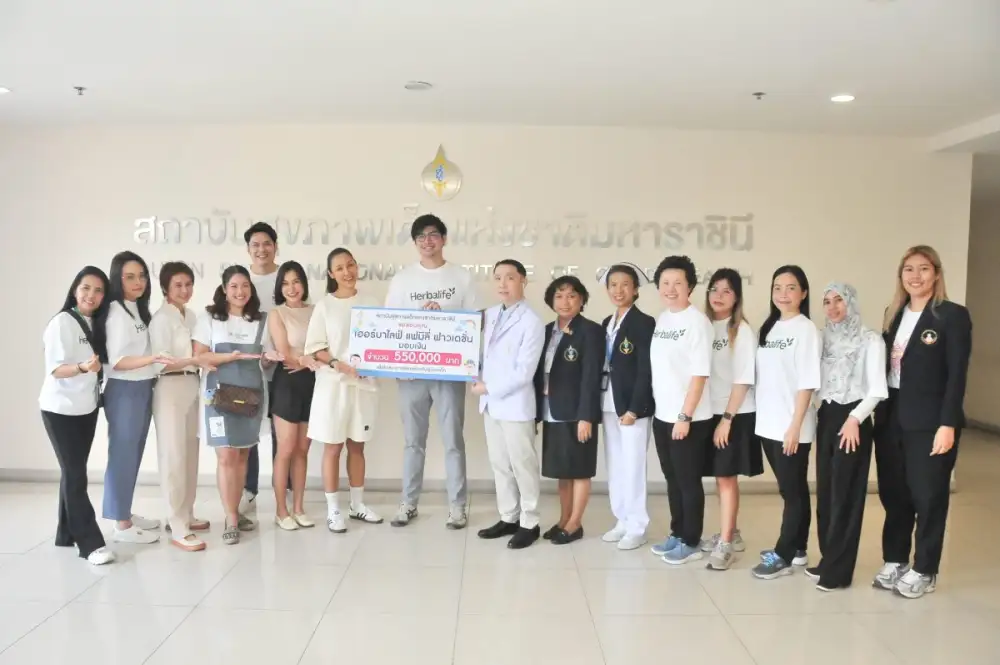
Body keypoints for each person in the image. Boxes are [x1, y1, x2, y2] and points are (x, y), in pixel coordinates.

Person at [872, 245, 972, 599]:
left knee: (928, 495)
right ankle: (896, 559)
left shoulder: (951, 316)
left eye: (924, 268)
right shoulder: (893, 314)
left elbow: (957, 375)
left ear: (936, 273)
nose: (916, 276)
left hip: (930, 421)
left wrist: (948, 423)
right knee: (894, 493)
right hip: (891, 416)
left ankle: (925, 569)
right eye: (909, 269)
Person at [385, 214, 477, 529]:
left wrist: (445, 315)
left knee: (453, 440)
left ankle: (457, 507)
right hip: (411, 374)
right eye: (421, 236)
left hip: (449, 373)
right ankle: (408, 503)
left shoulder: (461, 277)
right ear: (415, 242)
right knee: (413, 441)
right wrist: (398, 366)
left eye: (433, 234)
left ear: (444, 238)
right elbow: (390, 325)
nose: (428, 241)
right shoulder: (402, 279)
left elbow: (475, 323)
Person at [807, 283, 887, 590]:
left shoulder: (870, 340)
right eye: (827, 301)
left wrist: (854, 419)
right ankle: (828, 558)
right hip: (827, 417)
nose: (832, 307)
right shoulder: (822, 338)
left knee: (846, 495)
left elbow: (877, 389)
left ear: (850, 302)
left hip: (854, 420)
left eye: (839, 300)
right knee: (826, 493)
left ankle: (839, 573)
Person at [193, 265, 282, 545]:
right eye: (233, 286)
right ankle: (230, 517)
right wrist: (230, 357)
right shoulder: (209, 318)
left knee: (242, 454)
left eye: (245, 286)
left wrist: (268, 359)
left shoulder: (261, 320)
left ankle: (236, 509)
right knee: (226, 456)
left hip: (251, 397)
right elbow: (200, 356)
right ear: (224, 289)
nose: (240, 291)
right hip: (218, 397)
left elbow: (265, 362)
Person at [39, 266, 116, 565]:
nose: (91, 295)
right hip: (60, 409)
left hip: (86, 407)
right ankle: (89, 543)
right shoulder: (62, 322)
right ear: (75, 289)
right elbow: (56, 369)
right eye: (86, 288)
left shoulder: (96, 323)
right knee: (75, 473)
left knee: (73, 470)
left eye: (98, 291)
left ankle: (65, 533)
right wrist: (84, 368)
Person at [305, 248, 383, 532]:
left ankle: (357, 505)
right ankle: (333, 510)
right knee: (333, 446)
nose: (347, 272)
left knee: (357, 445)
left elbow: (383, 341)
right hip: (333, 386)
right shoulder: (324, 306)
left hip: (362, 386)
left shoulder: (372, 303)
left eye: (350, 265)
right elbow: (316, 348)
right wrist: (339, 365)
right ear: (331, 274)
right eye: (339, 268)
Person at [751, 265, 821, 580]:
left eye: (791, 287)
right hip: (768, 422)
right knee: (790, 489)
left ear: (803, 293)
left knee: (792, 492)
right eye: (777, 287)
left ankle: (782, 554)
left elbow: (807, 382)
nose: (783, 294)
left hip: (792, 425)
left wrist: (794, 426)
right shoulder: (769, 328)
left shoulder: (806, 330)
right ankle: (799, 548)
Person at [472, 259, 546, 550]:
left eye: (510, 277)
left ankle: (530, 522)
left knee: (522, 465)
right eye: (498, 277)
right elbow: (470, 345)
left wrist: (488, 387)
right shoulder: (489, 314)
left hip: (515, 405)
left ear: (523, 281)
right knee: (500, 464)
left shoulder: (532, 321)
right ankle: (509, 517)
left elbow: (524, 372)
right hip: (490, 405)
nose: (503, 283)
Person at [648, 256, 714, 565]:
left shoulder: (697, 322)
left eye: (678, 283)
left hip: (688, 418)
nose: (671, 289)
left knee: (688, 481)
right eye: (665, 283)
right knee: (672, 479)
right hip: (663, 415)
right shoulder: (663, 319)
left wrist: (684, 416)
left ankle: (691, 540)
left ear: (690, 287)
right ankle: (677, 532)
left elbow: (699, 375)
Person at [103, 251, 173, 544]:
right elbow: (117, 360)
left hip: (142, 387)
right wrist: (152, 359)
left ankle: (125, 513)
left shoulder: (136, 309)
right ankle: (121, 524)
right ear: (117, 279)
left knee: (133, 453)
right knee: (123, 454)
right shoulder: (116, 312)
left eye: (142, 276)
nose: (138, 282)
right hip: (125, 390)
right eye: (130, 277)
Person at [533, 275, 603, 545]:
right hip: (552, 410)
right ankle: (563, 519)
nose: (565, 301)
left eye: (572, 296)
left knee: (580, 469)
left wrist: (586, 416)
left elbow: (591, 377)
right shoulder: (546, 331)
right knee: (563, 471)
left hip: (577, 412)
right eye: (559, 296)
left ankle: (575, 523)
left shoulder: (590, 331)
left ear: (581, 299)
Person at [701, 268, 763, 570]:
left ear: (736, 297)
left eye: (727, 291)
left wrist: (727, 419)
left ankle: (725, 543)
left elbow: (743, 379)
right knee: (719, 476)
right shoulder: (704, 326)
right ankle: (732, 532)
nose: (719, 296)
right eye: (714, 289)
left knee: (726, 477)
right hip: (710, 411)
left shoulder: (741, 331)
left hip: (734, 414)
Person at [149, 261, 212, 552]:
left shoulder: (192, 316)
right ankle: (177, 525)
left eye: (188, 284)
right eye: (178, 285)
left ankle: (187, 512)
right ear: (165, 288)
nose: (185, 290)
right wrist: (195, 360)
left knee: (190, 452)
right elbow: (161, 361)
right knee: (173, 456)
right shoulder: (161, 319)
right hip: (170, 387)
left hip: (192, 384)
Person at [598, 263, 655, 551]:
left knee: (633, 466)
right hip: (609, 402)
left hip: (632, 407)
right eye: (613, 285)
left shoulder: (644, 323)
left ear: (635, 289)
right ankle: (621, 519)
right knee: (616, 464)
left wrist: (635, 408)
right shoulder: (607, 322)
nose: (618, 290)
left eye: (624, 285)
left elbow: (646, 369)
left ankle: (637, 526)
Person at [268, 261, 316, 531]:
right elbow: (284, 353)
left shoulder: (316, 310)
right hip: (286, 383)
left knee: (302, 450)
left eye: (296, 281)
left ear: (304, 284)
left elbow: (323, 347)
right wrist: (306, 359)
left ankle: (298, 508)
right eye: (285, 283)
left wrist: (307, 360)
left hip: (312, 383)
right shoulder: (277, 313)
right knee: (285, 449)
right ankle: (281, 510)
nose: (292, 288)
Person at [241, 221, 281, 519]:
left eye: (267, 243)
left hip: (282, 366)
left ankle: (284, 490)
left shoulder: (285, 277)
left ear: (275, 246)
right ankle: (248, 490)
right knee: (248, 429)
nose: (261, 249)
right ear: (248, 249)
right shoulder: (242, 280)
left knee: (282, 432)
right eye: (255, 245)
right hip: (249, 367)